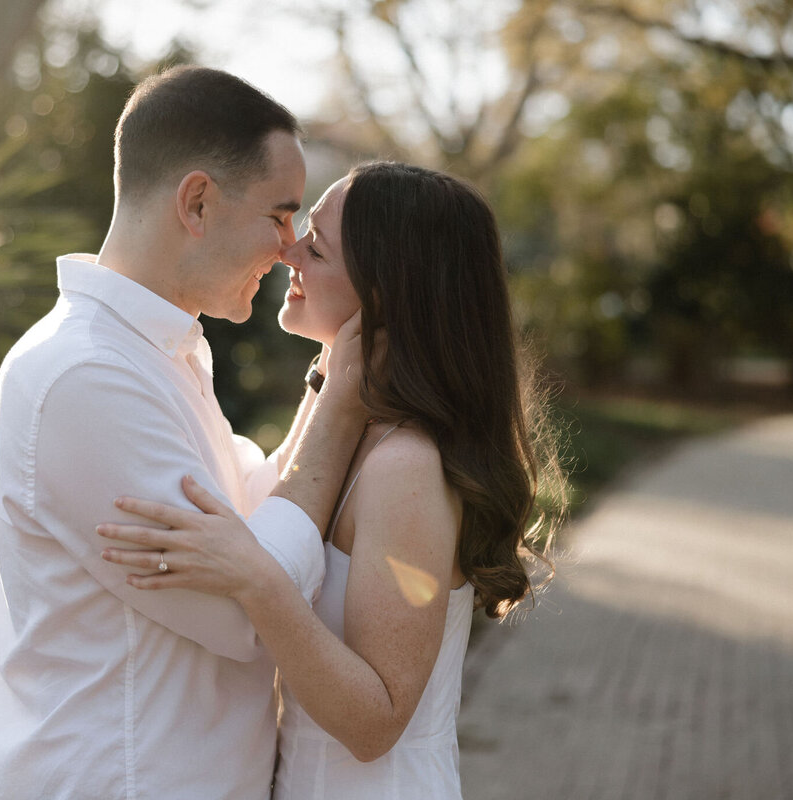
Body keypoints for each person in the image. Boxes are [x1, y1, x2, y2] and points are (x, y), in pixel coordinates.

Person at [0, 66, 371, 799]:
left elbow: (258, 505)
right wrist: (342, 405)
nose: (290, 249)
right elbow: (244, 612)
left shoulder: (159, 352)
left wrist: (331, 372)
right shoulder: (84, 375)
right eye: (280, 216)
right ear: (197, 202)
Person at [99, 161, 562, 798]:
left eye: (315, 247)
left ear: (386, 293)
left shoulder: (405, 467)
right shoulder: (357, 432)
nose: (287, 252)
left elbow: (377, 722)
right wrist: (330, 382)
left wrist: (257, 580)